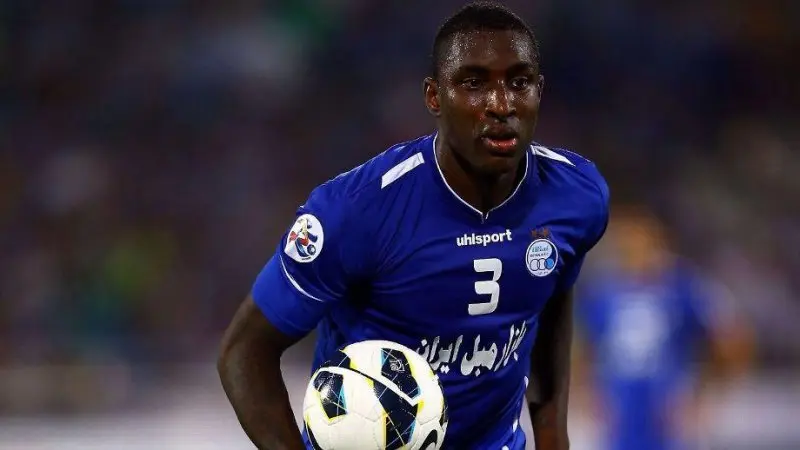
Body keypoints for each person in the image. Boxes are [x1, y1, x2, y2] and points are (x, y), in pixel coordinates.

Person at [217, 2, 609, 449]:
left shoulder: (578, 196)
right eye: (474, 83)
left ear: (540, 91)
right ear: (434, 97)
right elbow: (244, 352)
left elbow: (551, 303)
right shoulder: (356, 210)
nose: (501, 105)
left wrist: (553, 436)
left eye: (519, 82)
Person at [572, 205, 753, 450]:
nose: (630, 247)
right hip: (620, 423)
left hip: (668, 420)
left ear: (658, 239)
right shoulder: (603, 292)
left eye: (638, 238)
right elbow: (584, 348)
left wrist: (705, 395)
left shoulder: (685, 286)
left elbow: (733, 340)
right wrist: (588, 395)